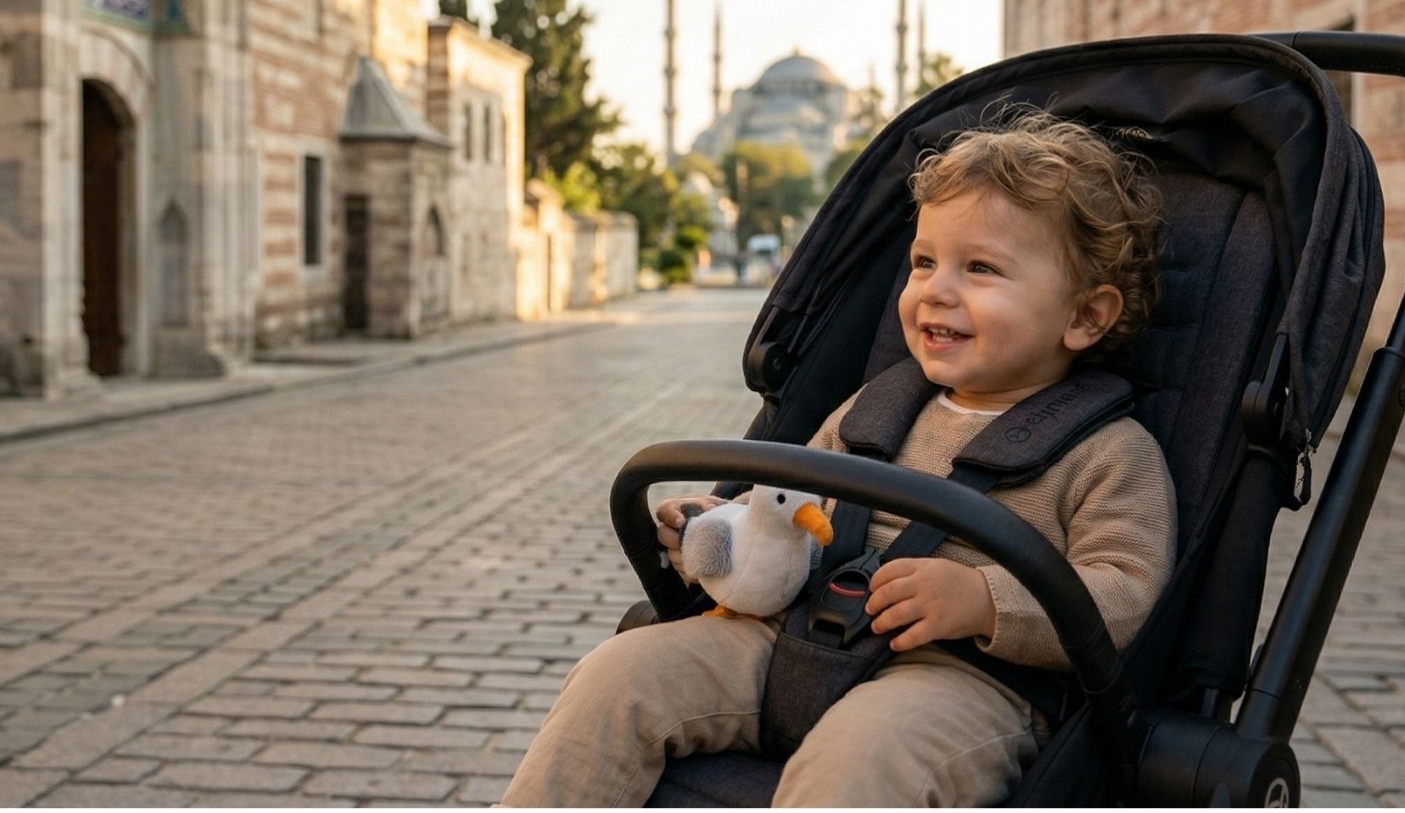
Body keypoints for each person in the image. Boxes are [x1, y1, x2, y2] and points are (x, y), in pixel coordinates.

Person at [500, 112, 1177, 807]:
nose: (936, 289)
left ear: (1086, 317)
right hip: (791, 639)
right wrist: (722, 528)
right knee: (621, 673)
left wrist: (981, 601)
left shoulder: (1109, 453)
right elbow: (789, 506)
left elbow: (1125, 595)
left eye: (980, 268)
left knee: (863, 755)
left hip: (963, 681)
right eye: (923, 263)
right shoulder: (873, 409)